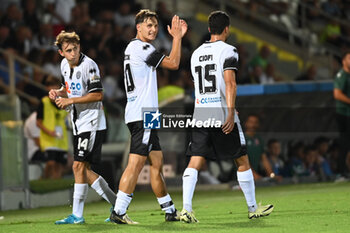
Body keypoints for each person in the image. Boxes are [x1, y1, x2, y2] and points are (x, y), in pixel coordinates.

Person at [180, 11, 274, 223]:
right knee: (241, 159)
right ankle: (252, 208)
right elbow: (230, 82)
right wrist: (230, 110)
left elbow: (197, 85)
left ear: (210, 28)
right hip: (221, 112)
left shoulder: (195, 53)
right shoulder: (229, 50)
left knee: (195, 160)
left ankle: (186, 209)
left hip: (201, 110)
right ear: (227, 29)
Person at [109, 9, 187, 224]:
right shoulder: (142, 47)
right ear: (138, 28)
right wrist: (178, 38)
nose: (153, 29)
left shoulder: (133, 48)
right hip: (143, 114)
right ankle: (119, 211)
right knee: (135, 163)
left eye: (155, 26)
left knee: (157, 162)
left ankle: (169, 210)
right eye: (148, 26)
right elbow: (173, 64)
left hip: (146, 114)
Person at [50, 30, 116, 224]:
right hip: (77, 123)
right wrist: (57, 93)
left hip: (92, 121)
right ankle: (117, 204)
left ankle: (77, 216)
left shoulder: (90, 65)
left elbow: (98, 95)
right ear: (61, 53)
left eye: (76, 49)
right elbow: (67, 88)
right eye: (69, 50)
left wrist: (70, 101)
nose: (73, 53)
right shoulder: (63, 65)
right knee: (83, 169)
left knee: (78, 165)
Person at [36, 77, 68, 179]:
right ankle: (44, 179)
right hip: (49, 139)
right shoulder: (44, 102)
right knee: (51, 163)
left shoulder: (63, 102)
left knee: (59, 165)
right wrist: (49, 132)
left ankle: (55, 183)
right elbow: (38, 122)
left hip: (61, 139)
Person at [333, 50, 350, 176]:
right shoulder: (342, 75)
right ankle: (342, 171)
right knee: (345, 142)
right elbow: (337, 94)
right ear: (344, 61)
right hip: (344, 114)